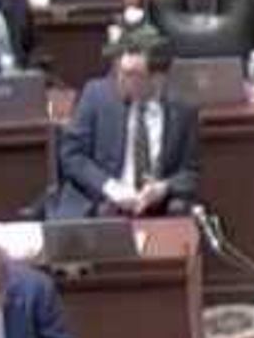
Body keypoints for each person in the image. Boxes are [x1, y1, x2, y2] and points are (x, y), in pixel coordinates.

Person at [46, 37, 199, 220]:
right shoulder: (96, 95)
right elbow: (71, 155)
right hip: (102, 204)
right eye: (120, 70)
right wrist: (110, 187)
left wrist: (164, 187)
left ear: (158, 79)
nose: (120, 79)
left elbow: (191, 172)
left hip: (157, 209)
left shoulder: (182, 110)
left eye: (131, 74)